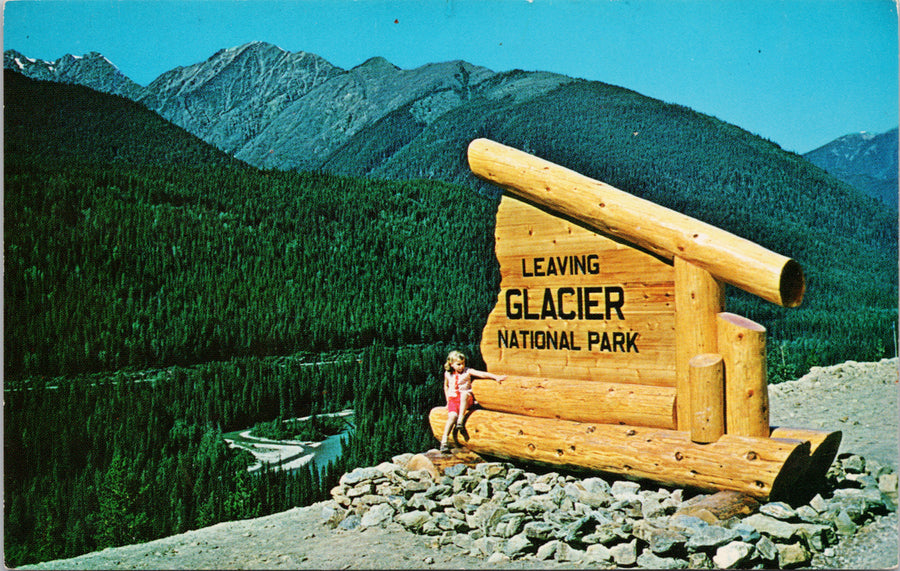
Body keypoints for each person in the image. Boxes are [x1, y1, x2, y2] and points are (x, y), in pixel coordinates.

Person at [439, 350, 506, 452]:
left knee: (464, 394)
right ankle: (444, 440)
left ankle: (460, 420)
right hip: (453, 400)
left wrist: (496, 377)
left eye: (463, 363)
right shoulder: (448, 374)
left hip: (466, 400)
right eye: (458, 364)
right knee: (452, 416)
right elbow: (446, 386)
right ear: (451, 364)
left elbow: (481, 374)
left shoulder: (467, 371)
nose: (461, 366)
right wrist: (447, 399)